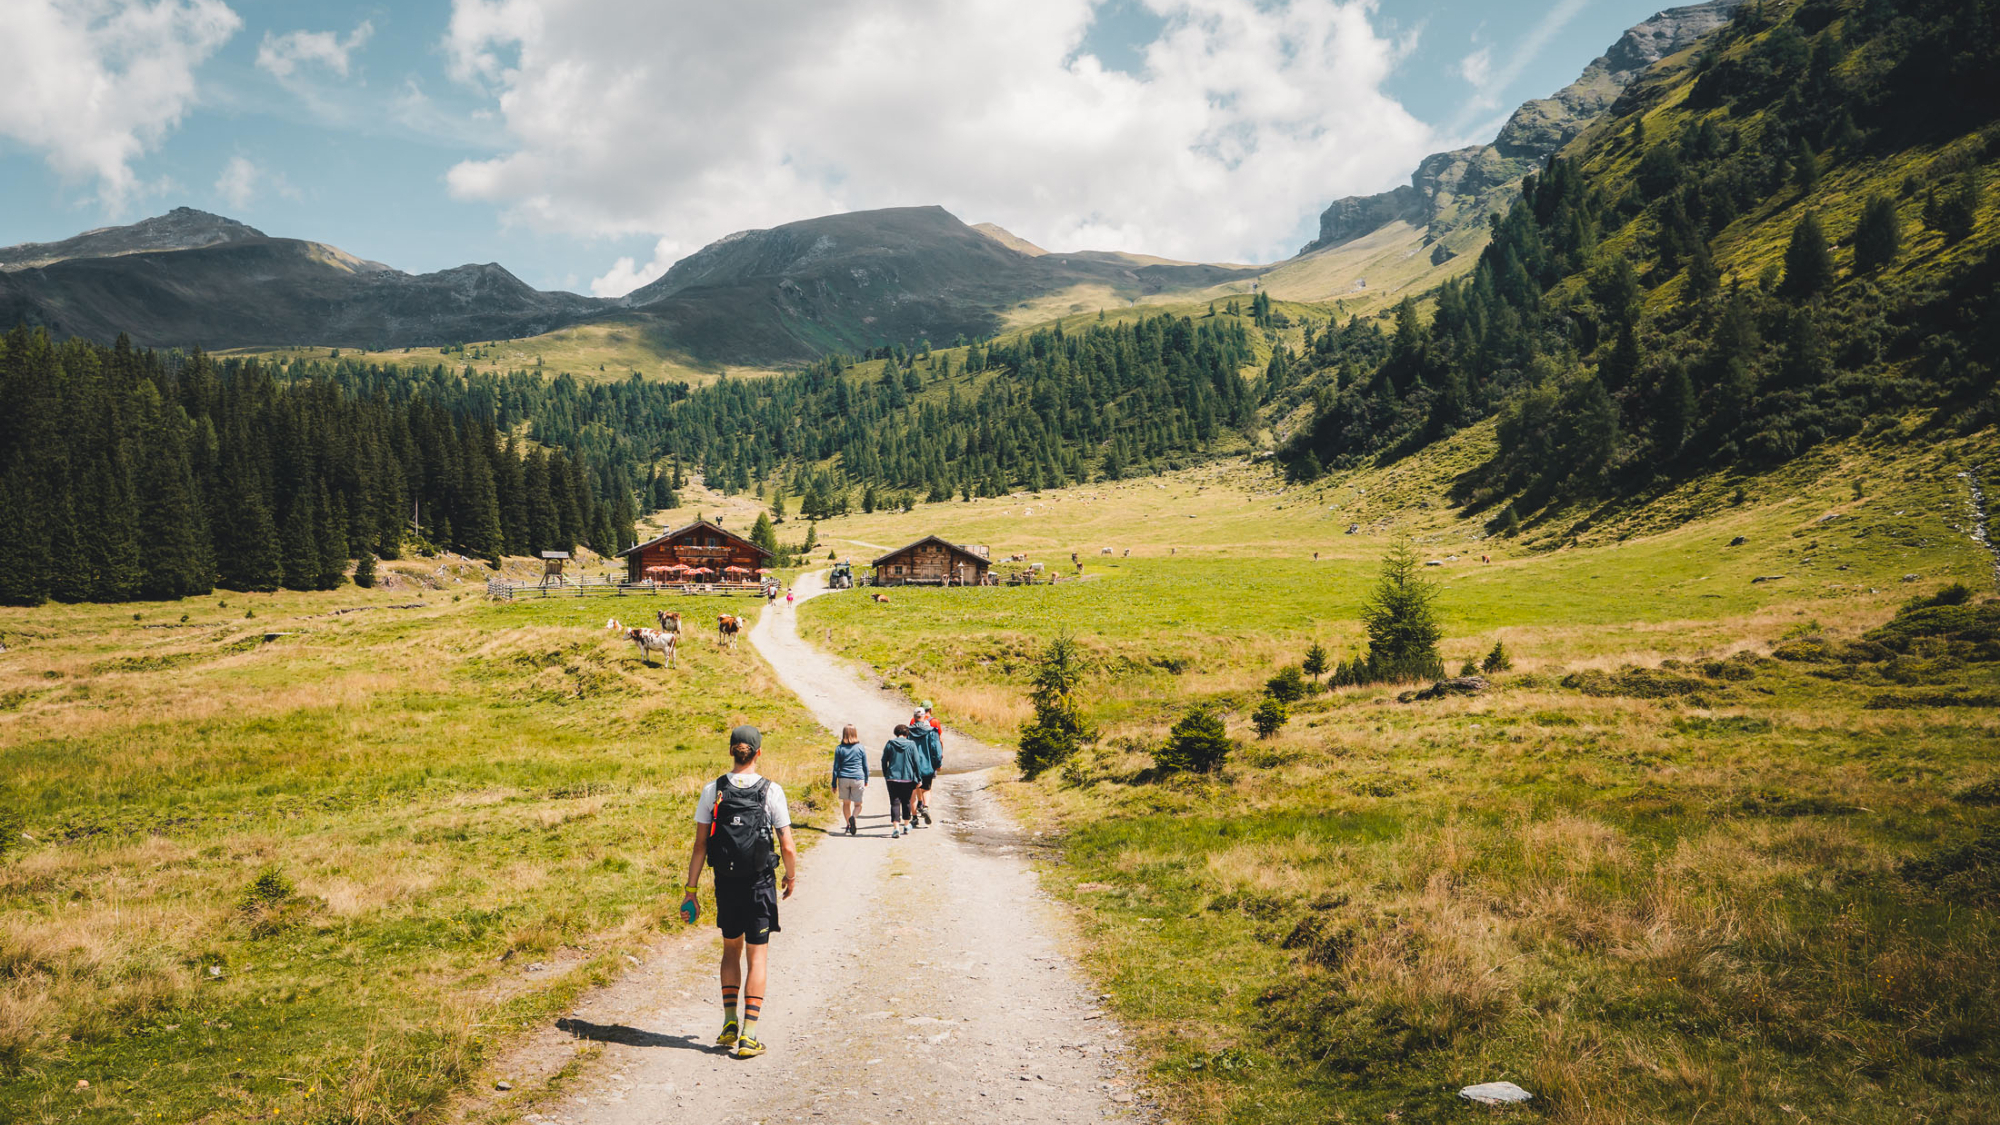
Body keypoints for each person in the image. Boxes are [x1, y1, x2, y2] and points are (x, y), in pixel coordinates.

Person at [683, 726, 798, 1059]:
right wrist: (791, 878)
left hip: (726, 882)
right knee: (757, 955)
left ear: (732, 751)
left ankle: (729, 1021)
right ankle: (749, 1035)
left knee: (730, 950)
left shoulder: (713, 789)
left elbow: (701, 844)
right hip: (760, 883)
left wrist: (691, 891)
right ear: (758, 753)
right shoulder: (771, 791)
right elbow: (787, 846)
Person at [879, 724, 924, 838]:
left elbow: (884, 760)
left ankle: (895, 828)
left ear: (896, 732)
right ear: (906, 733)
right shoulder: (911, 744)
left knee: (894, 802)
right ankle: (906, 825)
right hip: (907, 778)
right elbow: (916, 762)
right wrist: (918, 777)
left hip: (892, 777)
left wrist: (886, 774)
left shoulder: (890, 744)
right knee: (906, 801)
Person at [831, 724, 869, 835]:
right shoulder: (860, 748)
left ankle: (848, 824)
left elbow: (835, 768)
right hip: (857, 777)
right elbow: (865, 766)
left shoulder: (839, 748)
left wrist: (834, 783)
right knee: (858, 804)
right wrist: (866, 779)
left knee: (846, 803)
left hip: (843, 778)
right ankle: (854, 817)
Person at [911, 705, 942, 826]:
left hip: (912, 766)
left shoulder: (909, 731)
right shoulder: (932, 732)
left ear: (914, 717)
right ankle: (926, 807)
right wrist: (938, 763)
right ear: (924, 717)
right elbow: (936, 749)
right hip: (927, 765)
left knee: (913, 791)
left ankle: (914, 817)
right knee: (927, 789)